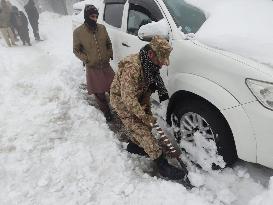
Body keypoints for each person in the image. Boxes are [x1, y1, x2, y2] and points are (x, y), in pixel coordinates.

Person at [110, 36, 186, 180]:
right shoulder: (133, 68)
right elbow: (128, 99)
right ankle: (162, 166)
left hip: (136, 99)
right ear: (151, 54)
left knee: (145, 127)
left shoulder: (150, 67)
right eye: (161, 59)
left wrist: (147, 112)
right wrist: (144, 117)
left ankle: (135, 147)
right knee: (144, 133)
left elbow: (145, 92)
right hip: (122, 102)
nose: (163, 64)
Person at [73, 5, 114, 121]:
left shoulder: (102, 28)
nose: (95, 19)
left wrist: (109, 54)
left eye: (96, 16)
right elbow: (76, 50)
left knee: (114, 88)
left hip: (106, 66)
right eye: (92, 16)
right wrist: (87, 59)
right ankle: (107, 112)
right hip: (93, 67)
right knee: (99, 93)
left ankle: (120, 108)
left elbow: (108, 43)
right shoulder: (78, 32)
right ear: (87, 16)